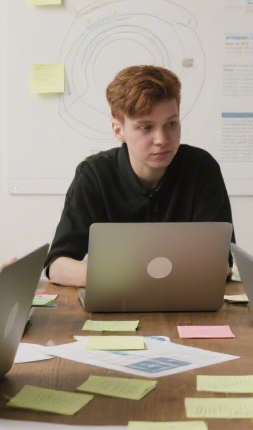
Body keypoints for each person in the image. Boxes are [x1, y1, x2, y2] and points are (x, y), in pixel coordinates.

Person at [46, 65, 233, 287]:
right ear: (118, 130)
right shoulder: (95, 174)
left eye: (171, 124)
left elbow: (221, 264)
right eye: (146, 128)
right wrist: (122, 277)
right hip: (116, 299)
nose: (162, 139)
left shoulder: (202, 168)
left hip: (183, 305)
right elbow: (56, 265)